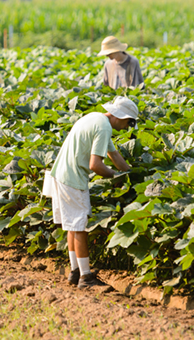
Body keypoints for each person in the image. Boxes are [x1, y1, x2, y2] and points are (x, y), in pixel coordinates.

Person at [47, 96, 138, 288]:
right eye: (129, 122)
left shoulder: (95, 118)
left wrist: (131, 174)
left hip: (60, 174)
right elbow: (95, 166)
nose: (127, 127)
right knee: (80, 227)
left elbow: (115, 156)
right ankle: (86, 278)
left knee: (72, 225)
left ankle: (75, 272)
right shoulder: (104, 128)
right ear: (120, 117)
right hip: (72, 178)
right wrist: (115, 177)